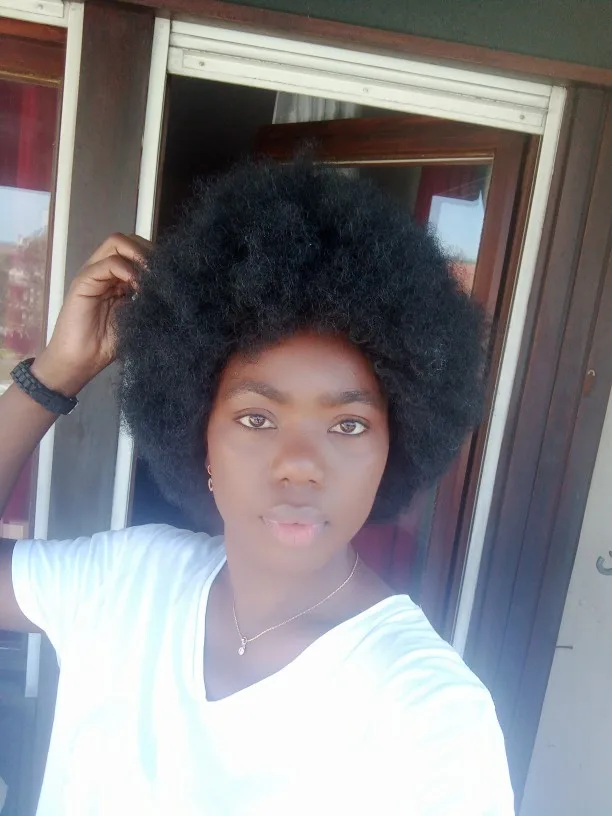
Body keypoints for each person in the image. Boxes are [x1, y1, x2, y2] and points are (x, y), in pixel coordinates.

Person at [0, 161, 514, 815]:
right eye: (257, 418)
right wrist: (55, 372)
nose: (299, 465)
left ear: (394, 449)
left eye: (348, 424)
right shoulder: (128, 581)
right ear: (200, 436)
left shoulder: (428, 716)